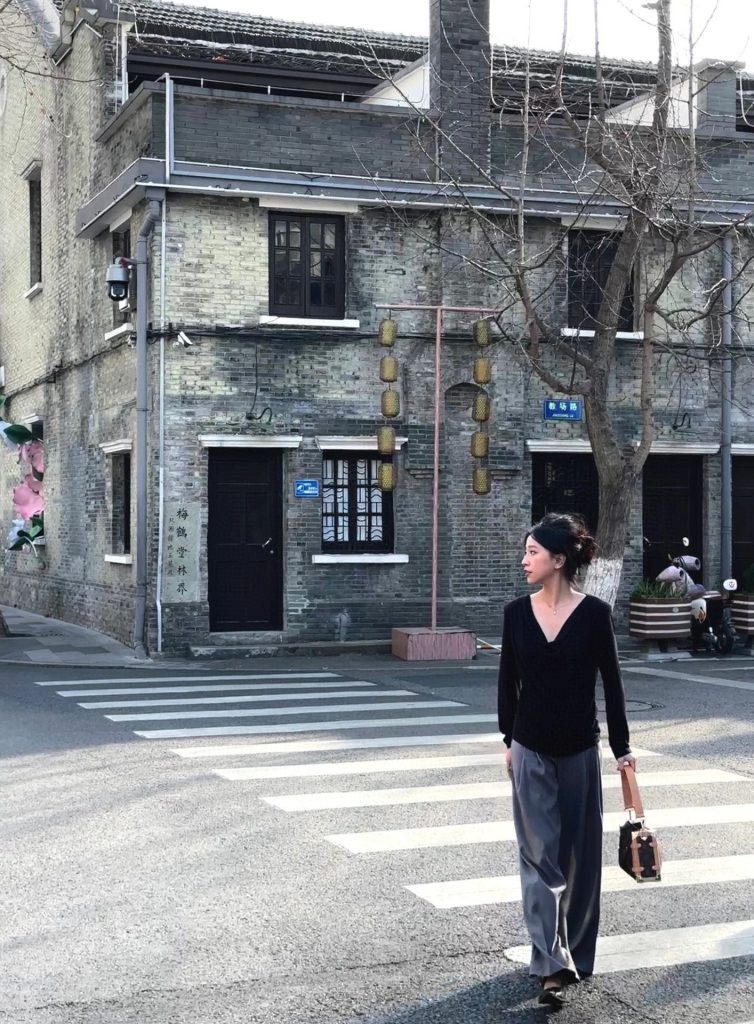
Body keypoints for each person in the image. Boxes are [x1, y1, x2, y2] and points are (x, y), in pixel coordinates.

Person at [497, 512, 635, 1009]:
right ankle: (549, 964)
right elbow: (507, 682)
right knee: (539, 858)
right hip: (530, 747)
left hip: (580, 749)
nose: (524, 560)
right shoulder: (516, 614)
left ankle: (578, 953)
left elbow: (613, 685)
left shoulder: (595, 615)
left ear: (558, 560)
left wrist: (623, 750)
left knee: (581, 857)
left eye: (532, 552)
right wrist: (508, 740)